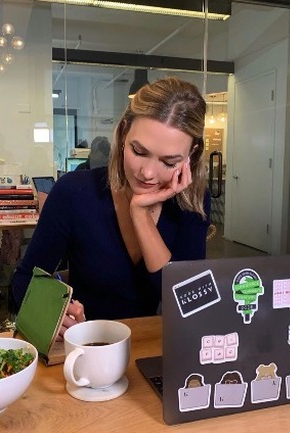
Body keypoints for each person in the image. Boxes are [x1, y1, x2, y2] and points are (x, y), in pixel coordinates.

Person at [12, 77, 211, 335]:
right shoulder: (74, 192)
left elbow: (187, 302)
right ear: (123, 132)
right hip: (86, 347)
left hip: (153, 347)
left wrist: (140, 214)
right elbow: (24, 277)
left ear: (191, 155)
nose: (148, 173)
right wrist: (48, 311)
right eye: (139, 152)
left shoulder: (191, 202)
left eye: (169, 162)